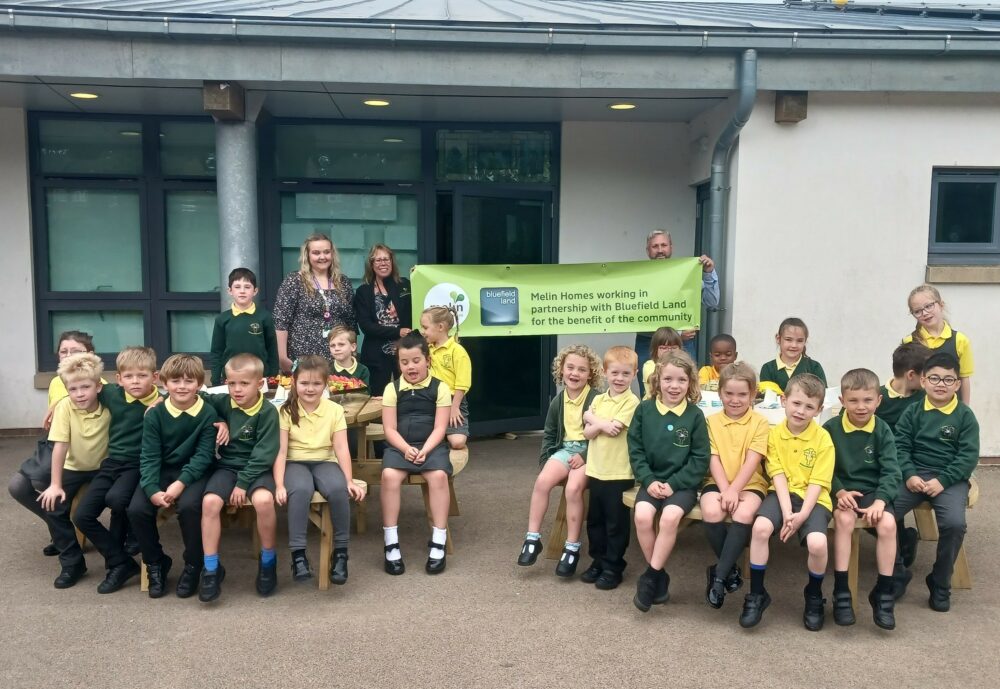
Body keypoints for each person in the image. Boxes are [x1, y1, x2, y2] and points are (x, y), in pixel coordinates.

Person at [739, 374, 833, 631]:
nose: (801, 411)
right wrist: (786, 512)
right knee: (760, 528)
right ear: (784, 401)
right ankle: (757, 594)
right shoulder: (774, 435)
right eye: (796, 403)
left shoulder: (823, 439)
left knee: (817, 543)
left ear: (819, 410)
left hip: (813, 499)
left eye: (809, 407)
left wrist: (800, 516)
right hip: (781, 495)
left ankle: (814, 595)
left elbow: (818, 482)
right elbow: (777, 475)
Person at [8, 352, 110, 589]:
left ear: (99, 386)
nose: (80, 394)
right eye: (73, 389)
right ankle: (72, 562)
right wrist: (55, 484)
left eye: (85, 387)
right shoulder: (65, 406)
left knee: (104, 508)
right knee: (53, 507)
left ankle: (116, 561)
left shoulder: (109, 402)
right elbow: (60, 447)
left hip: (103, 467)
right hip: (73, 467)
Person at [891, 352, 979, 612]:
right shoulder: (913, 411)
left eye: (948, 379)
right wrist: (909, 474)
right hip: (915, 474)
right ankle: (896, 573)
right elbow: (900, 446)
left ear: (957, 384)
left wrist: (943, 480)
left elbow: (968, 457)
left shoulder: (965, 417)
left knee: (954, 524)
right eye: (935, 378)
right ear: (924, 380)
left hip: (950, 478)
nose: (941, 384)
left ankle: (940, 583)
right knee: (884, 511)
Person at [127, 354, 219, 599]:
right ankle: (156, 563)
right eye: (175, 381)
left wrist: (180, 484)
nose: (182, 387)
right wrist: (151, 489)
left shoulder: (207, 413)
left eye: (189, 381)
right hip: (161, 470)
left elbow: (203, 456)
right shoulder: (155, 414)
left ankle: (193, 565)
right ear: (164, 384)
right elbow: (148, 456)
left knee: (189, 507)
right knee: (137, 509)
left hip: (193, 472)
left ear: (199, 385)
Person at [72, 346, 161, 594]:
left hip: (139, 464)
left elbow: (199, 396)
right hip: (112, 463)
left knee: (117, 500)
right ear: (118, 379)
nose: (135, 381)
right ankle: (121, 561)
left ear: (155, 377)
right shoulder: (112, 394)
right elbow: (81, 383)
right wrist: (56, 404)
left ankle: (118, 564)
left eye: (142, 375)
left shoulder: (162, 401)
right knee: (82, 516)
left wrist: (163, 399)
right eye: (129, 376)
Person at [273, 355, 365, 585]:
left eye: (316, 384)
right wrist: (279, 484)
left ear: (326, 385)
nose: (310, 389)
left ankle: (341, 553)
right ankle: (298, 555)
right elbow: (281, 452)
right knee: (301, 490)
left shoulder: (334, 410)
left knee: (337, 489)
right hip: (295, 462)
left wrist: (350, 480)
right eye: (304, 383)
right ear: (294, 383)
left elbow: (342, 447)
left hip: (325, 460)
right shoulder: (285, 411)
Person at [629, 350, 710, 612]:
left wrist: (674, 484)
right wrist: (648, 480)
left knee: (669, 518)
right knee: (642, 516)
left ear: (690, 383)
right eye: (668, 379)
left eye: (681, 380)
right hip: (651, 481)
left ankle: (650, 577)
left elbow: (700, 459)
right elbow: (636, 449)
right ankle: (660, 576)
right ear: (657, 381)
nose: (674, 386)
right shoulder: (644, 410)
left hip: (682, 486)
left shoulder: (695, 415)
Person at [198, 354, 281, 602]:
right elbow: (195, 395)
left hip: (257, 470)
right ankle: (211, 569)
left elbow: (265, 454)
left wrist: (243, 483)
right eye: (232, 383)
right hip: (226, 467)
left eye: (244, 384)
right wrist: (219, 420)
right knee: (210, 502)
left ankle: (268, 562)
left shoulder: (268, 412)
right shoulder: (224, 403)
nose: (237, 389)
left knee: (265, 501)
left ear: (260, 383)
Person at [824, 369, 901, 630]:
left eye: (867, 400)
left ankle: (884, 593)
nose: (861, 407)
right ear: (842, 401)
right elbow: (824, 468)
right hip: (843, 491)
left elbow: (892, 471)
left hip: (873, 491)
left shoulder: (883, 430)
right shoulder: (831, 428)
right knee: (844, 521)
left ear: (878, 400)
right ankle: (842, 592)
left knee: (888, 525)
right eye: (854, 400)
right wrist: (839, 491)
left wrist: (880, 501)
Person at [517, 345, 601, 574]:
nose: (575, 373)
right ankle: (532, 538)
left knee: (573, 489)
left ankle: (572, 546)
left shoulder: (596, 399)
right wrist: (547, 461)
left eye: (582, 370)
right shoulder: (558, 400)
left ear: (590, 374)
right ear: (561, 370)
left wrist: (584, 456)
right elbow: (550, 433)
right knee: (542, 481)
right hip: (564, 449)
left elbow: (601, 437)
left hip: (589, 451)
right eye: (570, 368)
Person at [380, 332, 454, 575]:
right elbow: (389, 429)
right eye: (404, 362)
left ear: (427, 360)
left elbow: (440, 427)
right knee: (390, 476)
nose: (410, 367)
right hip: (400, 446)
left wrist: (425, 450)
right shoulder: (392, 389)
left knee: (439, 477)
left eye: (415, 361)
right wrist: (405, 449)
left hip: (430, 446)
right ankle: (391, 543)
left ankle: (438, 540)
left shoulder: (440, 388)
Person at [701, 361, 769, 609]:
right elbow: (713, 458)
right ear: (720, 393)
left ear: (753, 394)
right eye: (729, 393)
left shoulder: (759, 423)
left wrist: (734, 490)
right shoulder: (711, 421)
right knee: (711, 510)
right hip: (717, 481)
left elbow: (753, 459)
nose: (735, 400)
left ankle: (718, 577)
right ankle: (730, 569)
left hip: (750, 484)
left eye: (742, 394)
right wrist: (725, 489)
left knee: (743, 512)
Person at [581, 346, 639, 589]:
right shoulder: (598, 399)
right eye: (615, 373)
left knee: (616, 523)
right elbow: (586, 433)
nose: (619, 379)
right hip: (596, 470)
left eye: (626, 374)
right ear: (605, 373)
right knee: (595, 520)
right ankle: (598, 560)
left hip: (619, 472)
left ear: (634, 375)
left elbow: (614, 428)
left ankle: (614, 565)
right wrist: (594, 423)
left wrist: (592, 419)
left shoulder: (632, 401)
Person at [635, 230, 719, 391]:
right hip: (648, 342)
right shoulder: (637, 276)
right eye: (655, 246)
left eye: (664, 245)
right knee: (649, 388)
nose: (660, 250)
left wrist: (708, 274)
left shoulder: (687, 273)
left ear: (671, 247)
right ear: (648, 251)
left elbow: (712, 302)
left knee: (686, 386)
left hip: (683, 342)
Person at [877, 341, 931, 570]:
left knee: (890, 496)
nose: (930, 381)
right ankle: (903, 540)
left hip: (908, 463)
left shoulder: (924, 399)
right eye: (926, 376)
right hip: (879, 461)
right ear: (911, 375)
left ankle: (897, 556)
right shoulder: (877, 397)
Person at [273, 233, 356, 372]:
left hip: (337, 356)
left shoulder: (343, 282)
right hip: (304, 355)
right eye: (316, 253)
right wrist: (282, 357)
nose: (322, 257)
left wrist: (351, 352)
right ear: (307, 255)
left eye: (326, 252)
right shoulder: (294, 281)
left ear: (332, 254)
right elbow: (281, 321)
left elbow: (351, 321)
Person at [353, 244, 413, 396]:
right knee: (378, 398)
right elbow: (366, 326)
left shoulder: (405, 285)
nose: (383, 263)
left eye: (386, 259)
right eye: (378, 260)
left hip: (405, 352)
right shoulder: (363, 291)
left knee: (407, 396)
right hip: (376, 355)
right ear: (371, 264)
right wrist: (397, 331)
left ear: (392, 262)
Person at [902, 284, 974, 403]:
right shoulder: (909, 342)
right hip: (919, 411)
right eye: (917, 311)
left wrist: (966, 410)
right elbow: (906, 382)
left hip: (951, 411)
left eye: (929, 306)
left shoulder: (960, 340)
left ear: (941, 305)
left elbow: (964, 379)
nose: (924, 313)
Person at [209, 267, 278, 386]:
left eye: (247, 287)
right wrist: (215, 379)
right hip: (231, 378)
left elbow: (272, 349)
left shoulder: (265, 317)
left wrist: (272, 376)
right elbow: (217, 351)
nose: (242, 291)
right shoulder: (222, 319)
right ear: (230, 290)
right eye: (237, 287)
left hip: (260, 377)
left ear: (255, 291)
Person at [420, 306, 472, 450]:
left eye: (425, 327)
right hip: (429, 399)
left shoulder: (458, 351)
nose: (423, 332)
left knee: (457, 442)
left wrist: (455, 407)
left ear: (440, 327)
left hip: (453, 400)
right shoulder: (425, 348)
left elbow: (462, 384)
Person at [759, 317, 827, 390]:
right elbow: (767, 398)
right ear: (778, 339)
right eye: (788, 339)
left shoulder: (814, 367)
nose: (794, 345)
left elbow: (823, 396)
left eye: (799, 341)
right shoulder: (768, 369)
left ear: (805, 341)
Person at [639, 326, 682, 397]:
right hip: (652, 404)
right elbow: (655, 380)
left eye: (673, 348)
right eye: (663, 348)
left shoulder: (683, 365)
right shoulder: (650, 365)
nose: (669, 351)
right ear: (655, 350)